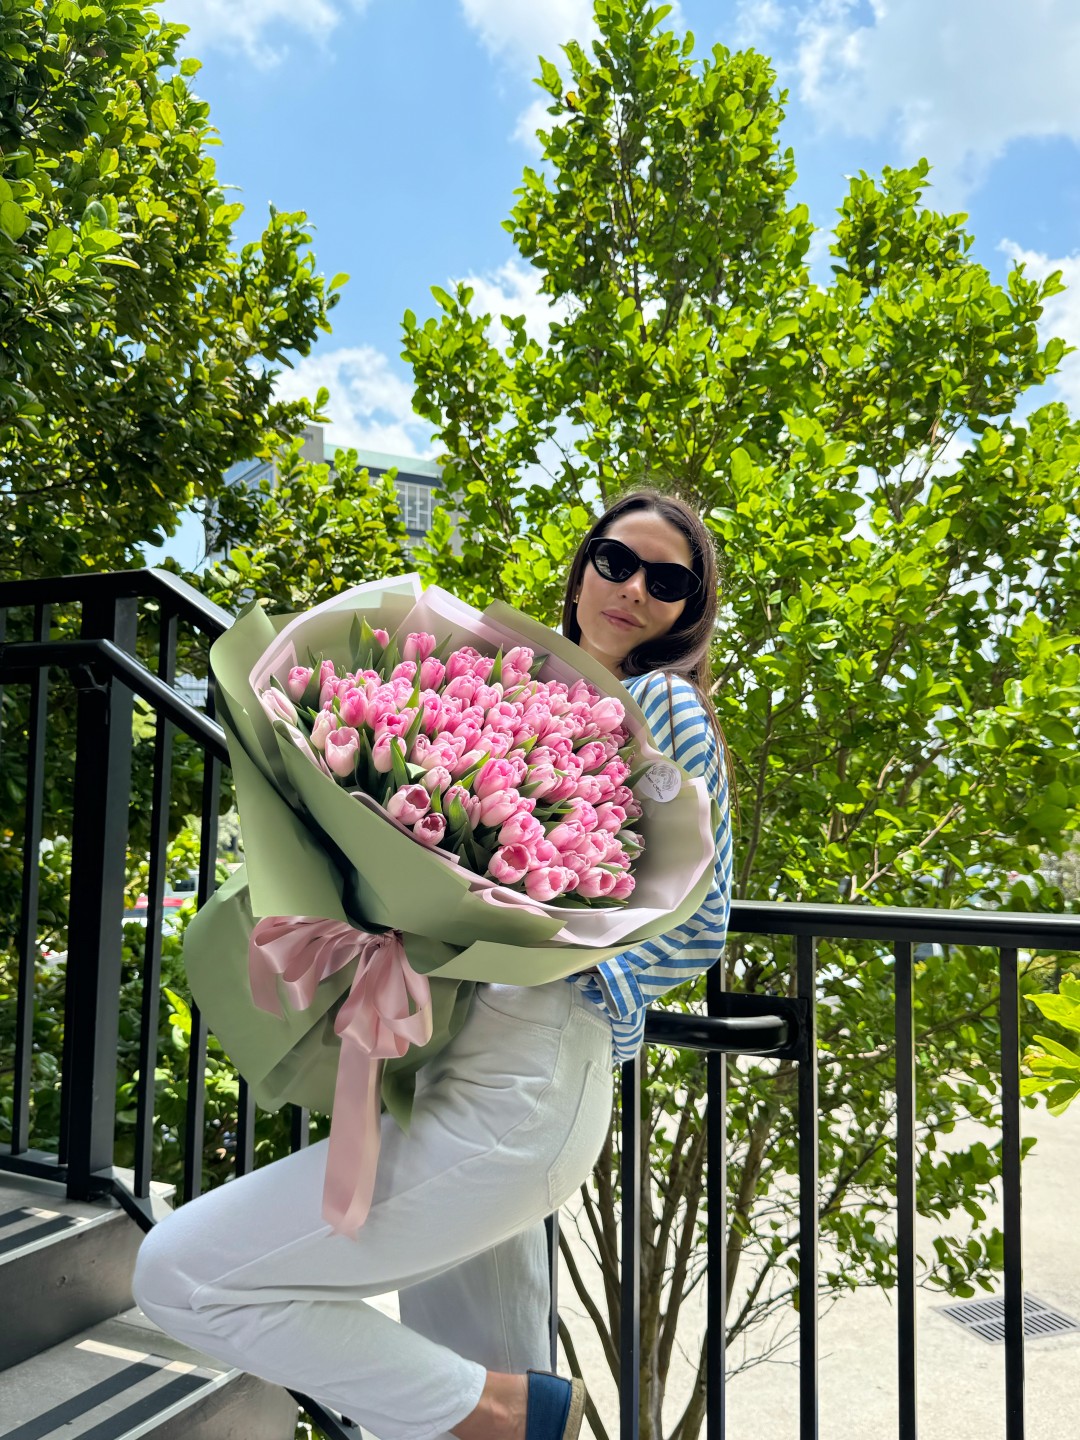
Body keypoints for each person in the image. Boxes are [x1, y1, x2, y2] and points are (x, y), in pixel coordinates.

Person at [132, 488, 733, 1440]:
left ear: (687, 613)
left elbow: (701, 923)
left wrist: (553, 962)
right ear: (584, 566)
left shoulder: (662, 706)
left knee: (186, 1272)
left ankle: (516, 1415)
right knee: (466, 1346)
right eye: (617, 562)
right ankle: (501, 1408)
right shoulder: (524, 689)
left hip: (531, 1066)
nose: (633, 591)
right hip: (451, 1053)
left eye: (668, 583)